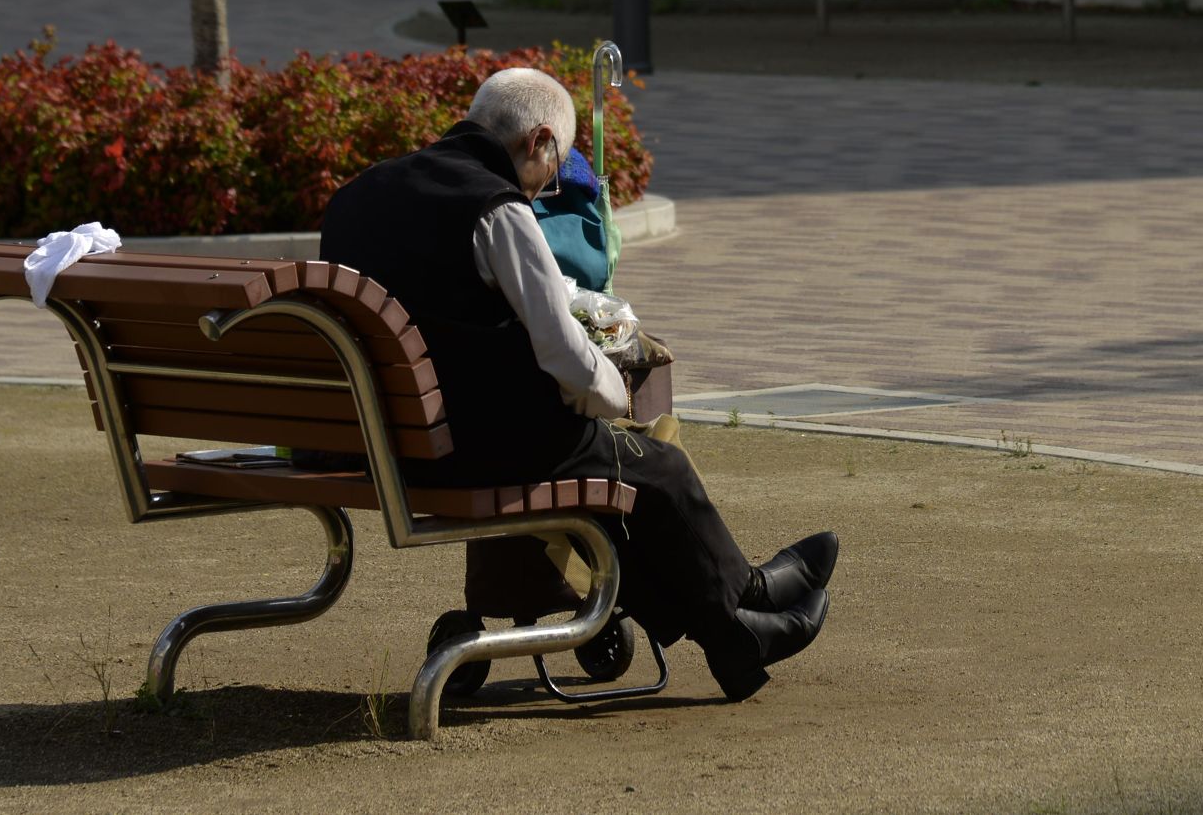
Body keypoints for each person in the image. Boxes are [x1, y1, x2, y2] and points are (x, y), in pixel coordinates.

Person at [319, 66, 837, 701]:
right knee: (659, 468)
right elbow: (562, 349)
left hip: (383, 449)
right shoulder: (495, 206)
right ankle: (751, 597)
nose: (549, 185)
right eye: (557, 165)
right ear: (538, 140)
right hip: (480, 448)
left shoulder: (357, 196)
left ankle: (733, 637)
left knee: (629, 483)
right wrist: (613, 401)